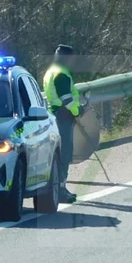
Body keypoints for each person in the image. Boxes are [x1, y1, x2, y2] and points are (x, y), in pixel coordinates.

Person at [43, 44, 84, 204]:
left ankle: (56, 188)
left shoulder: (50, 72)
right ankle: (60, 189)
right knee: (65, 153)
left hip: (53, 114)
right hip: (63, 116)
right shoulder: (62, 74)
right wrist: (77, 111)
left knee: (57, 153)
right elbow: (67, 100)